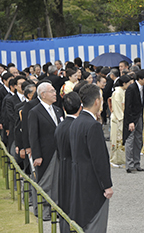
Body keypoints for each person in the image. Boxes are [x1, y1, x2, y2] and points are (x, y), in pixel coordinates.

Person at [69, 84, 113, 232]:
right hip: (93, 183)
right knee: (96, 223)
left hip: (78, 179)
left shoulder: (76, 122)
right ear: (97, 101)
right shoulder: (92, 125)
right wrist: (107, 185)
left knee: (84, 222)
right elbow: (99, 158)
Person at [28, 82, 64, 221]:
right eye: (52, 91)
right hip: (45, 153)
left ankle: (58, 209)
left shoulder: (57, 110)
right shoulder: (35, 112)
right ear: (43, 94)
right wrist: (37, 155)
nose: (55, 93)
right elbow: (33, 135)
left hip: (59, 151)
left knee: (58, 182)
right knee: (45, 183)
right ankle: (44, 211)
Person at [54, 92, 81, 233]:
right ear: (80, 107)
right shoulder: (78, 126)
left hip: (63, 167)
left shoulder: (60, 125)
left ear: (64, 108)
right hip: (75, 168)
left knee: (64, 202)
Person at [123, 69, 144, 173]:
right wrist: (130, 121)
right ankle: (130, 165)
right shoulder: (131, 88)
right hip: (132, 118)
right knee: (130, 140)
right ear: (140, 79)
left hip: (139, 116)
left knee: (138, 140)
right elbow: (128, 106)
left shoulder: (142, 88)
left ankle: (137, 163)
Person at [110, 75, 132, 167]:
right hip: (118, 118)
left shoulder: (121, 91)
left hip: (120, 117)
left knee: (120, 139)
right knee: (117, 139)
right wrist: (121, 118)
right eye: (129, 83)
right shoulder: (118, 92)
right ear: (124, 83)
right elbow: (118, 107)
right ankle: (115, 160)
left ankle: (120, 159)